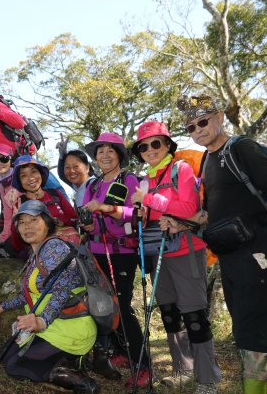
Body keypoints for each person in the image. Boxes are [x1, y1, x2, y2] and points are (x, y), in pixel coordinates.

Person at [167, 95, 267, 393]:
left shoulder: (241, 147)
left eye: (203, 121)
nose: (198, 129)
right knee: (257, 326)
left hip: (256, 250)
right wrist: (182, 223)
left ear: (220, 118)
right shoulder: (207, 160)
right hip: (230, 253)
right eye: (191, 127)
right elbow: (210, 212)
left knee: (249, 330)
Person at [129, 121, 221, 394]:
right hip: (157, 252)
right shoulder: (146, 178)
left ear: (168, 145)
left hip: (186, 251)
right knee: (170, 315)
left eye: (156, 143)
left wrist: (150, 200)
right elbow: (149, 213)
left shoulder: (180, 169)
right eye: (144, 146)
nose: (150, 149)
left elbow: (189, 207)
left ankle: (208, 380)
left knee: (194, 316)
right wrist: (141, 211)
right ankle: (184, 371)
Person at [0, 200, 99, 394]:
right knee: (7, 356)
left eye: (34, 220)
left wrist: (41, 321)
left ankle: (80, 381)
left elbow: (62, 290)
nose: (27, 227)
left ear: (47, 223)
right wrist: (2, 307)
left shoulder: (55, 249)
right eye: (22, 223)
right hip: (53, 324)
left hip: (70, 325)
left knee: (15, 366)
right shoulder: (36, 252)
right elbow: (30, 293)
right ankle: (68, 360)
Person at [79, 132, 151, 388]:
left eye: (110, 151)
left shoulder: (129, 179)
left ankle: (144, 365)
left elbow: (137, 212)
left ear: (119, 155)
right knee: (102, 305)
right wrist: (87, 225)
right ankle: (121, 350)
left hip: (121, 253)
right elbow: (88, 215)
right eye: (100, 152)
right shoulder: (93, 185)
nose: (104, 155)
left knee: (120, 305)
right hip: (96, 252)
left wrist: (108, 209)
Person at [5, 155, 78, 257]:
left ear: (41, 173)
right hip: (41, 255)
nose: (30, 178)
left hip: (70, 249)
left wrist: (60, 222)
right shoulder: (20, 204)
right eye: (23, 176)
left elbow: (73, 219)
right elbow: (17, 245)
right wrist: (16, 225)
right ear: (20, 182)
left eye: (34, 171)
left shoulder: (55, 194)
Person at [56, 134, 96, 207]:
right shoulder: (77, 185)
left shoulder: (95, 186)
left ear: (87, 168)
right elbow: (62, 175)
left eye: (76, 166)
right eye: (67, 167)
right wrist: (62, 157)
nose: (71, 171)